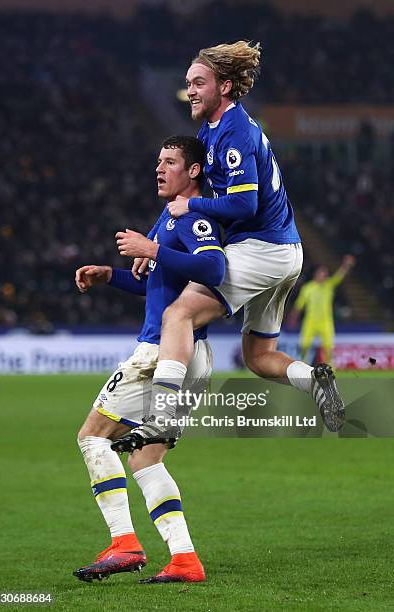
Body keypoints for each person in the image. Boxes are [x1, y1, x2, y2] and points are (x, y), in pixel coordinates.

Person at [118, 40, 345, 451]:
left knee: (178, 314)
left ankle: (160, 418)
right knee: (258, 356)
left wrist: (190, 206)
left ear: (224, 86)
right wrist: (156, 237)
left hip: (263, 247)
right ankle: (314, 380)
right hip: (286, 252)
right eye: (188, 83)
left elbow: (244, 202)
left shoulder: (236, 132)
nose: (190, 90)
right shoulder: (213, 130)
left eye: (198, 83)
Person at [73, 135, 225, 584]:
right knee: (145, 458)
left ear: (193, 171)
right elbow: (163, 281)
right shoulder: (168, 216)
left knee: (92, 437)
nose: (159, 168)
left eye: (171, 161)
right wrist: (112, 275)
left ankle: (124, 543)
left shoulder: (193, 214)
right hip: (190, 354)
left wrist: (152, 249)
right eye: (157, 160)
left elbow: (213, 270)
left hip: (162, 351)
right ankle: (184, 560)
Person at [289, 255, 356, 363]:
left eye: (325, 274)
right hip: (310, 321)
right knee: (304, 346)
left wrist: (346, 265)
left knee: (328, 348)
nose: (323, 275)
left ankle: (330, 371)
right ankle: (303, 368)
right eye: (321, 273)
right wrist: (293, 318)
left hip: (325, 322)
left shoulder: (328, 286)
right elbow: (299, 305)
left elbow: (339, 276)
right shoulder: (308, 288)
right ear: (316, 274)